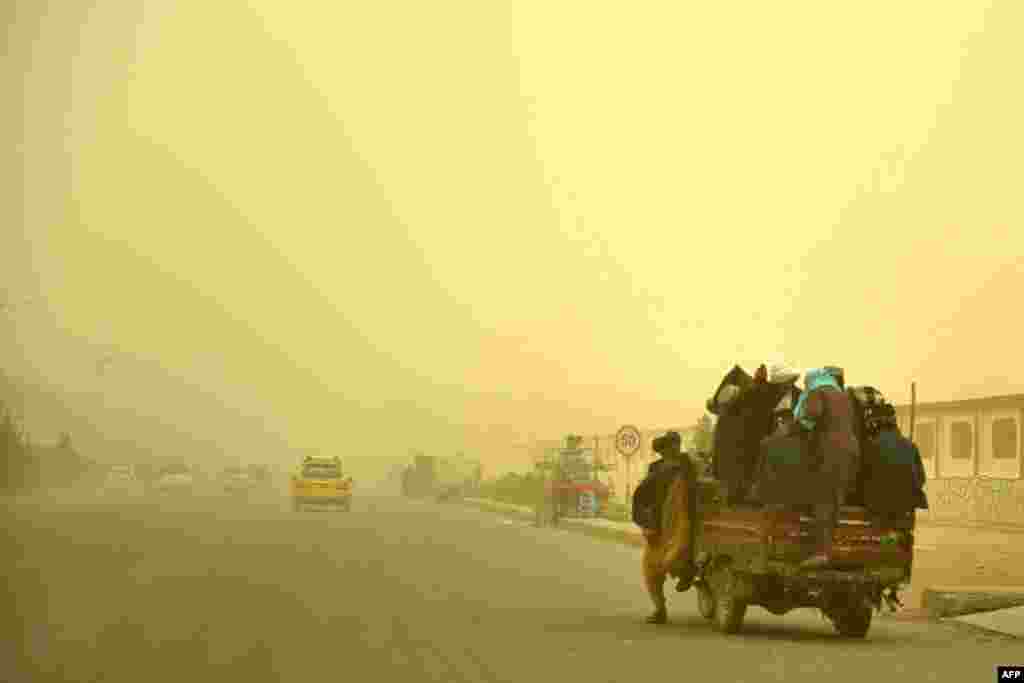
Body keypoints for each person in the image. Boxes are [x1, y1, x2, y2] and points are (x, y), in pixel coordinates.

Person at [793, 367, 861, 569]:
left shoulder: (817, 392)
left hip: (830, 451)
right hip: (850, 451)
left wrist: (801, 420)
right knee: (836, 499)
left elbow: (813, 413)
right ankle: (831, 550)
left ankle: (821, 552)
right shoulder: (842, 395)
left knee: (823, 500)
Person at [632, 431, 695, 624]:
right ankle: (660, 609)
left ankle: (687, 574)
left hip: (684, 522)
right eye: (670, 446)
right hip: (659, 525)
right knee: (652, 570)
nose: (674, 448)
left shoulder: (688, 465)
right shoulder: (656, 469)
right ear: (663, 451)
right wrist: (647, 523)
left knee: (680, 555)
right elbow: (643, 497)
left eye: (676, 444)